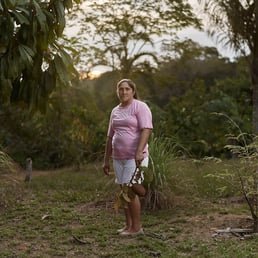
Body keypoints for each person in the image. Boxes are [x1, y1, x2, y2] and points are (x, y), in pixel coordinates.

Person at [103, 78, 153, 236]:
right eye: (121, 89)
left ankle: (137, 228)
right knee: (123, 191)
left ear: (133, 91)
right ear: (117, 91)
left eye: (127, 89)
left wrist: (139, 151)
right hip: (118, 157)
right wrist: (106, 160)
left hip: (135, 156)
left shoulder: (140, 106)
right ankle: (128, 226)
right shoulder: (115, 111)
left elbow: (146, 129)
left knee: (129, 190)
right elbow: (110, 137)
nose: (124, 92)